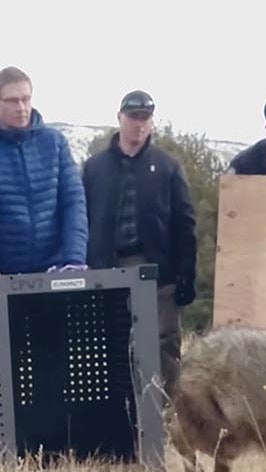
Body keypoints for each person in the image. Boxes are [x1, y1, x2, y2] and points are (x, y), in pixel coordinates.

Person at [82, 89, 198, 392]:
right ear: (120, 118)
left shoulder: (167, 166)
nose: (139, 124)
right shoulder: (95, 168)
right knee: (110, 344)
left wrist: (186, 274)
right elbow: (82, 220)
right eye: (133, 117)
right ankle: (117, 418)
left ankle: (168, 414)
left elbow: (185, 224)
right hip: (106, 267)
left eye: (145, 118)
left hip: (157, 268)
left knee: (164, 344)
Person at [0, 66, 88, 274]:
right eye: (12, 101)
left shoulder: (55, 143)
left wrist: (74, 258)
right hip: (2, 274)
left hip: (55, 270)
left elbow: (73, 202)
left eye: (26, 99)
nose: (21, 107)